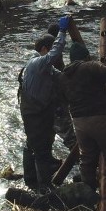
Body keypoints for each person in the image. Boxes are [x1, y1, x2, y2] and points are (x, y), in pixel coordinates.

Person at [59, 42, 106, 211]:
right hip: (100, 118)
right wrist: (99, 67)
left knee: (87, 159)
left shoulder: (63, 76)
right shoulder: (90, 66)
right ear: (85, 56)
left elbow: (62, 98)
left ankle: (88, 198)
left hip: (79, 122)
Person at [19, 15, 70, 193]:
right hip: (34, 114)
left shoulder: (46, 68)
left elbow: (63, 78)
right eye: (49, 51)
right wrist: (62, 31)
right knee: (39, 149)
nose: (55, 57)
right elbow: (55, 52)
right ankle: (44, 189)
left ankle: (31, 180)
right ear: (43, 49)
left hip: (41, 111)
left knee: (37, 145)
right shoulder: (36, 63)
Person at [47, 22, 77, 150]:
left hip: (47, 99)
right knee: (66, 128)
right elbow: (60, 72)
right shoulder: (52, 51)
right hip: (56, 97)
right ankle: (77, 156)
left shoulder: (44, 47)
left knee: (49, 129)